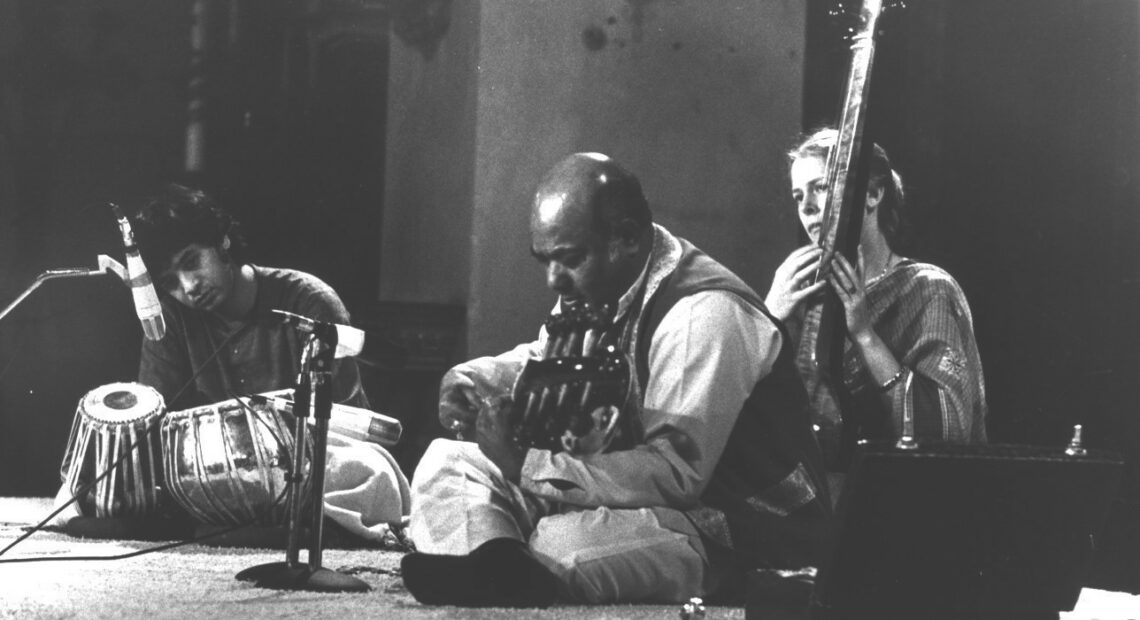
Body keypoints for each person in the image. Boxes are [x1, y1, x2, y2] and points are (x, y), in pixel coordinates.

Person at [400, 153, 831, 607]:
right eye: (545, 261)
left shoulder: (703, 314)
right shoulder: (602, 281)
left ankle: (500, 562)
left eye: (568, 259)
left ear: (626, 238)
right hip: (628, 493)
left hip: (734, 524)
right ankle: (498, 565)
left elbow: (674, 474)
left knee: (561, 546)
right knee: (447, 460)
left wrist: (525, 464)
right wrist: (477, 379)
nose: (553, 280)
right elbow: (548, 354)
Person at [765, 128, 987, 472]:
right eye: (797, 196)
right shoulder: (805, 300)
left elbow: (945, 431)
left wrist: (865, 335)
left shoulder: (929, 289)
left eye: (820, 188)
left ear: (872, 193)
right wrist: (769, 318)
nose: (807, 207)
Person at [131, 184, 368, 411]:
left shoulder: (311, 302)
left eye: (192, 262)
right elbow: (154, 428)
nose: (189, 287)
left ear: (221, 240)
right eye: (171, 283)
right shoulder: (169, 321)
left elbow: (348, 431)